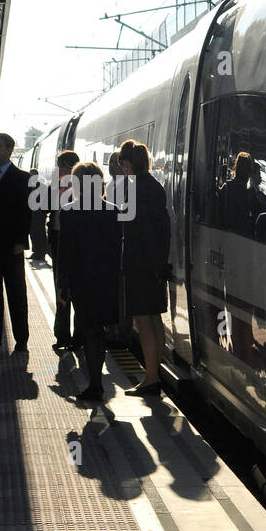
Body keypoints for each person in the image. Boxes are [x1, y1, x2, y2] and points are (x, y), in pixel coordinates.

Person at [58, 162, 121, 402]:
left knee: (90, 330)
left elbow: (66, 253)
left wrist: (63, 286)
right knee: (99, 330)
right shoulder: (113, 210)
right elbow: (117, 249)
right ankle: (96, 382)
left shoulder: (71, 212)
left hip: (82, 281)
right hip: (106, 280)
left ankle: (95, 384)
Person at [119, 141, 170, 396]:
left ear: (127, 163)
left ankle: (150, 378)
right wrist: (159, 263)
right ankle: (156, 373)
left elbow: (138, 230)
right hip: (155, 265)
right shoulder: (155, 187)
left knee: (143, 320)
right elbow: (162, 228)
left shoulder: (134, 190)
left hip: (139, 264)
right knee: (155, 318)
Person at [0, 133, 33, 354]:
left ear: (10, 149)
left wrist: (21, 241)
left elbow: (25, 212)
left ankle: (21, 338)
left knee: (16, 294)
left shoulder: (22, 178)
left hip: (12, 246)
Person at [48, 149, 79, 352]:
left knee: (74, 289)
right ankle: (62, 335)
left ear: (70, 167)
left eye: (61, 165)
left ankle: (77, 336)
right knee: (60, 286)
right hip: (58, 239)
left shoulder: (82, 189)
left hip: (75, 242)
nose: (58, 169)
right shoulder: (55, 186)